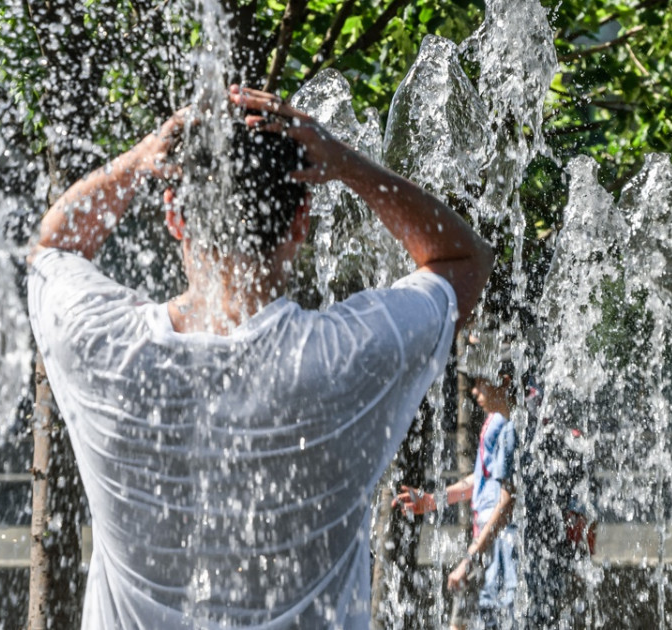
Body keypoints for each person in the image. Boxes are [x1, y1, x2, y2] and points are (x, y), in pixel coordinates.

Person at [26, 84, 494, 629]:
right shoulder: (341, 359)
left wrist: (141, 157)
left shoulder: (106, 350)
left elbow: (51, 248)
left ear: (174, 217)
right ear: (300, 223)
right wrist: (345, 164)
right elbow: (463, 259)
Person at [393, 358, 519, 629]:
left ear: (505, 382)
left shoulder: (509, 427)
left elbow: (506, 502)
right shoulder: (495, 422)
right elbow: (481, 478)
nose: (474, 392)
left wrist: (469, 559)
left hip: (498, 543)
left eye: (481, 383)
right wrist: (433, 500)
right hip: (486, 540)